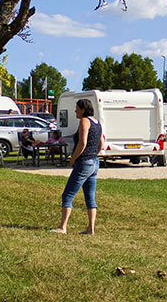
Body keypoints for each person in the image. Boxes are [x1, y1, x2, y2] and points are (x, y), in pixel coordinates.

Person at [53, 100, 103, 234]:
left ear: (83, 109)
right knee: (90, 196)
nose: (75, 111)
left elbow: (82, 143)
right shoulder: (97, 122)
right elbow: (101, 143)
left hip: (84, 162)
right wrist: (94, 155)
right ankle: (91, 228)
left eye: (76, 109)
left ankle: (62, 227)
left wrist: (73, 158)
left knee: (68, 195)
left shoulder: (84, 122)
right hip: (94, 162)